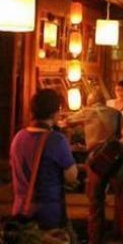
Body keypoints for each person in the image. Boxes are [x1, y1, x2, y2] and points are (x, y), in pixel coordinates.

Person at [62, 89, 123, 243]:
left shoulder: (88, 112)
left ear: (91, 102)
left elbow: (66, 122)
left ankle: (96, 239)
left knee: (96, 203)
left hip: (97, 161)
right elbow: (122, 135)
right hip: (117, 160)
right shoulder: (117, 114)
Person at [10, 90, 78, 230]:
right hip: (47, 212)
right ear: (54, 113)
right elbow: (72, 176)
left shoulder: (18, 137)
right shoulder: (57, 140)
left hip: (20, 209)